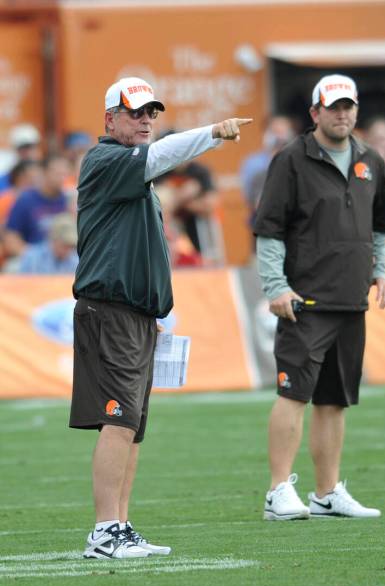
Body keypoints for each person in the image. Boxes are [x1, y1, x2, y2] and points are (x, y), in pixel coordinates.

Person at [69, 76, 252, 559]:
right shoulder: (106, 160)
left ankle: (121, 525)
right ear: (110, 118)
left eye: (151, 112)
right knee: (119, 418)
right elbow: (160, 156)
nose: (145, 120)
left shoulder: (135, 174)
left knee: (133, 423)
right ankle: (105, 529)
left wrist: (152, 310)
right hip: (110, 310)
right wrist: (212, 132)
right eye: (135, 113)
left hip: (134, 313)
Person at [253, 74, 385, 521]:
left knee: (335, 400)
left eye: (348, 106)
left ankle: (327, 492)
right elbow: (270, 230)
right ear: (315, 112)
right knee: (293, 393)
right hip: (304, 301)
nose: (342, 113)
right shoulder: (291, 160)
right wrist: (275, 287)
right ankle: (278, 491)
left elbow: (381, 227)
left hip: (351, 300)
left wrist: (384, 271)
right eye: (333, 106)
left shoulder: (371, 160)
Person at [3, 155, 69, 258]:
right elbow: (11, 237)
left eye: (64, 174)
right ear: (44, 172)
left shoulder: (69, 201)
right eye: (57, 173)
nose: (61, 178)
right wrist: (30, 255)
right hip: (32, 256)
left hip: (64, 259)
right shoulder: (26, 199)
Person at [240, 115, 295, 224]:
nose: (280, 137)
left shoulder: (299, 158)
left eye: (284, 132)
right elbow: (249, 196)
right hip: (262, 222)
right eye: (276, 132)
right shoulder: (253, 162)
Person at [13, 213, 79, 274]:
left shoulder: (75, 261)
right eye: (65, 245)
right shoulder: (32, 258)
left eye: (71, 246)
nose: (68, 250)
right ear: (54, 239)